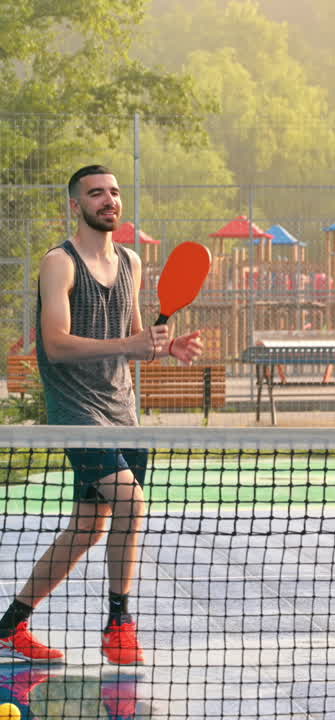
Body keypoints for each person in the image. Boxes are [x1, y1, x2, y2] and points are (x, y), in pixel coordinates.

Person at [0, 165, 203, 665]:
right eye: (96, 193)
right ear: (76, 205)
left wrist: (165, 346)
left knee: (88, 529)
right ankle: (119, 623)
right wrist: (132, 343)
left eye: (113, 192)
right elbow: (55, 344)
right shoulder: (59, 263)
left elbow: (135, 344)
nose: (108, 199)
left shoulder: (131, 261)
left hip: (122, 412)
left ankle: (9, 626)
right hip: (78, 414)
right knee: (132, 505)